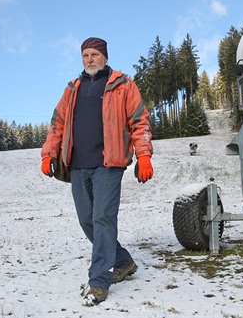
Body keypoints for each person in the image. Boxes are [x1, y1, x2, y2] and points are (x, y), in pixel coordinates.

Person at [40, 37, 154, 306]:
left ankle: (98, 282)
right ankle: (123, 261)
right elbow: (57, 123)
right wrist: (48, 153)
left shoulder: (122, 84)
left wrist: (144, 156)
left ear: (104, 56)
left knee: (103, 218)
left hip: (109, 164)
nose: (89, 59)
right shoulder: (73, 88)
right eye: (85, 55)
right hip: (78, 165)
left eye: (94, 55)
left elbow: (140, 120)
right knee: (87, 221)